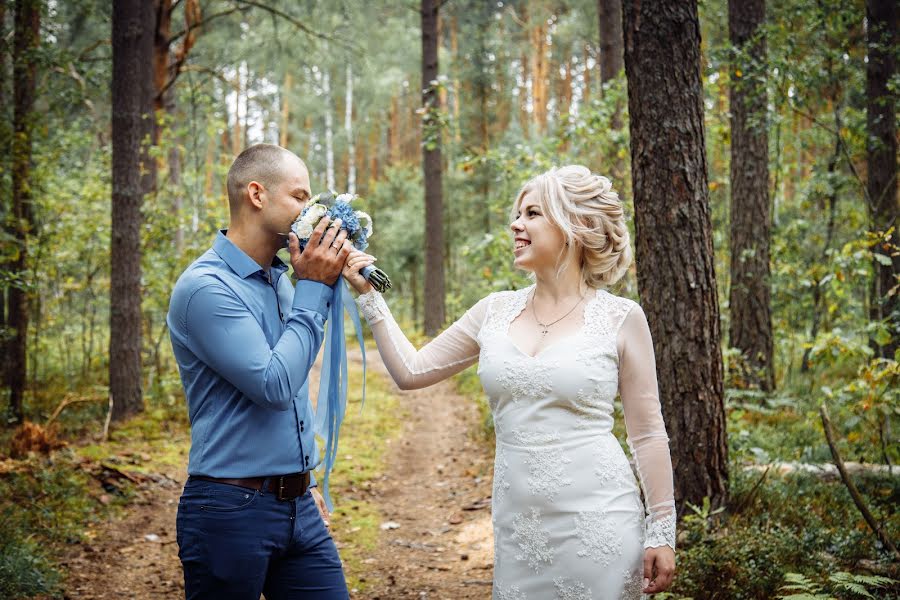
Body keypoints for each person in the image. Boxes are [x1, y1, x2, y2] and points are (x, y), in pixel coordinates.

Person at [343, 165, 677, 598]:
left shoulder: (621, 318)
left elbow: (648, 433)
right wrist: (370, 298)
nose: (516, 224)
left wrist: (662, 530)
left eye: (533, 213)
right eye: (518, 214)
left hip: (601, 523)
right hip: (521, 530)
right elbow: (412, 371)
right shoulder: (493, 312)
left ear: (574, 225)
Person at [167, 143, 359, 599]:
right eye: (299, 196)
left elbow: (293, 391)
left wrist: (300, 484)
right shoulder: (205, 288)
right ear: (257, 194)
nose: (311, 209)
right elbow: (272, 384)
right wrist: (312, 286)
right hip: (229, 510)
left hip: (299, 508)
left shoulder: (282, 281)